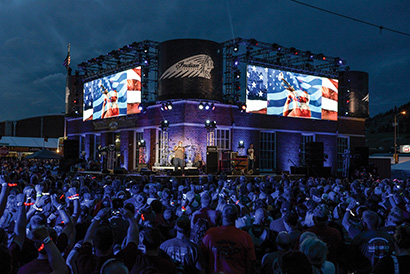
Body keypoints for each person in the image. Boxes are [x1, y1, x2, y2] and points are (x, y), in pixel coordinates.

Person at [201, 204, 256, 274]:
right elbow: (251, 263)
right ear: (236, 217)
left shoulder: (210, 234)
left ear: (222, 216)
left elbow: (203, 259)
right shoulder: (245, 237)